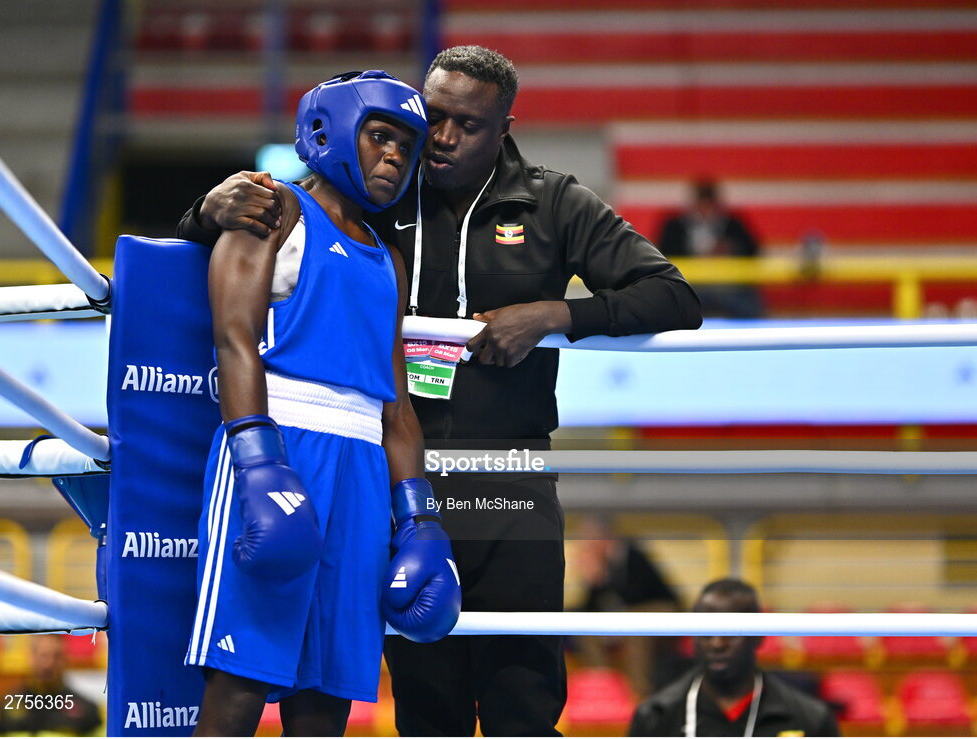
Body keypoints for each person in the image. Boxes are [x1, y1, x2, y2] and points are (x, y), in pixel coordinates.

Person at [178, 46, 702, 736]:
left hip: (501, 470)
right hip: (386, 466)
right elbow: (256, 233)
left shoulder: (551, 201)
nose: (439, 139)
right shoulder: (374, 190)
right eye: (434, 119)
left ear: (503, 128)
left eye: (468, 125)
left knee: (519, 686)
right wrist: (207, 207)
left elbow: (672, 295)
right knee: (420, 697)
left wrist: (556, 315)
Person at [182, 70, 460, 736]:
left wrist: (418, 516)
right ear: (329, 132)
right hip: (280, 444)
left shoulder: (386, 260)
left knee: (326, 698)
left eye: (406, 145)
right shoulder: (271, 209)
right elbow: (235, 339)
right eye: (380, 137)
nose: (395, 155)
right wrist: (258, 462)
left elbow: (396, 406)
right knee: (241, 681)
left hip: (362, 467)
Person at [628, 578, 840, 737]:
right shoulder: (655, 717)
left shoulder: (809, 717)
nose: (717, 643)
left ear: (758, 636)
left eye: (731, 632)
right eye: (706, 632)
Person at [569, 516, 688, 696]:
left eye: (588, 538)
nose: (585, 544)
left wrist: (604, 579)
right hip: (627, 614)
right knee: (587, 630)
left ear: (604, 537)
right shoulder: (601, 563)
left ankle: (639, 693)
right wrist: (593, 582)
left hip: (662, 609)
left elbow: (638, 595)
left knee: (634, 628)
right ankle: (605, 687)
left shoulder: (632, 554)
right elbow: (591, 606)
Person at [657, 180, 764, 319]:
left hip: (728, 287)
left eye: (709, 205)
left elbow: (753, 250)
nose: (705, 209)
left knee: (747, 304)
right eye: (701, 204)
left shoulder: (733, 223)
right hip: (690, 286)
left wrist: (729, 249)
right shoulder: (674, 225)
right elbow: (663, 254)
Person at [0, 634, 102, 736]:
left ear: (66, 660)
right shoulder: (6, 704)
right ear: (31, 657)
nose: (49, 664)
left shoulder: (86, 709)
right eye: (44, 655)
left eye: (56, 656)